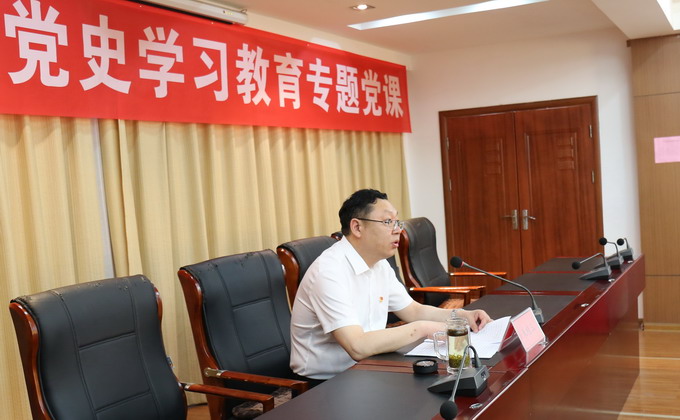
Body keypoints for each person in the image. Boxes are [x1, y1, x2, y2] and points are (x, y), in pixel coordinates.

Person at [290, 188, 491, 381]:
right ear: (357, 227)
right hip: (327, 382)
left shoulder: (379, 265)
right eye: (388, 222)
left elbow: (413, 311)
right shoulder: (329, 271)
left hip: (372, 365)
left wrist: (460, 316)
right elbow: (357, 346)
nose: (398, 230)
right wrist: (422, 329)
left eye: (397, 222)